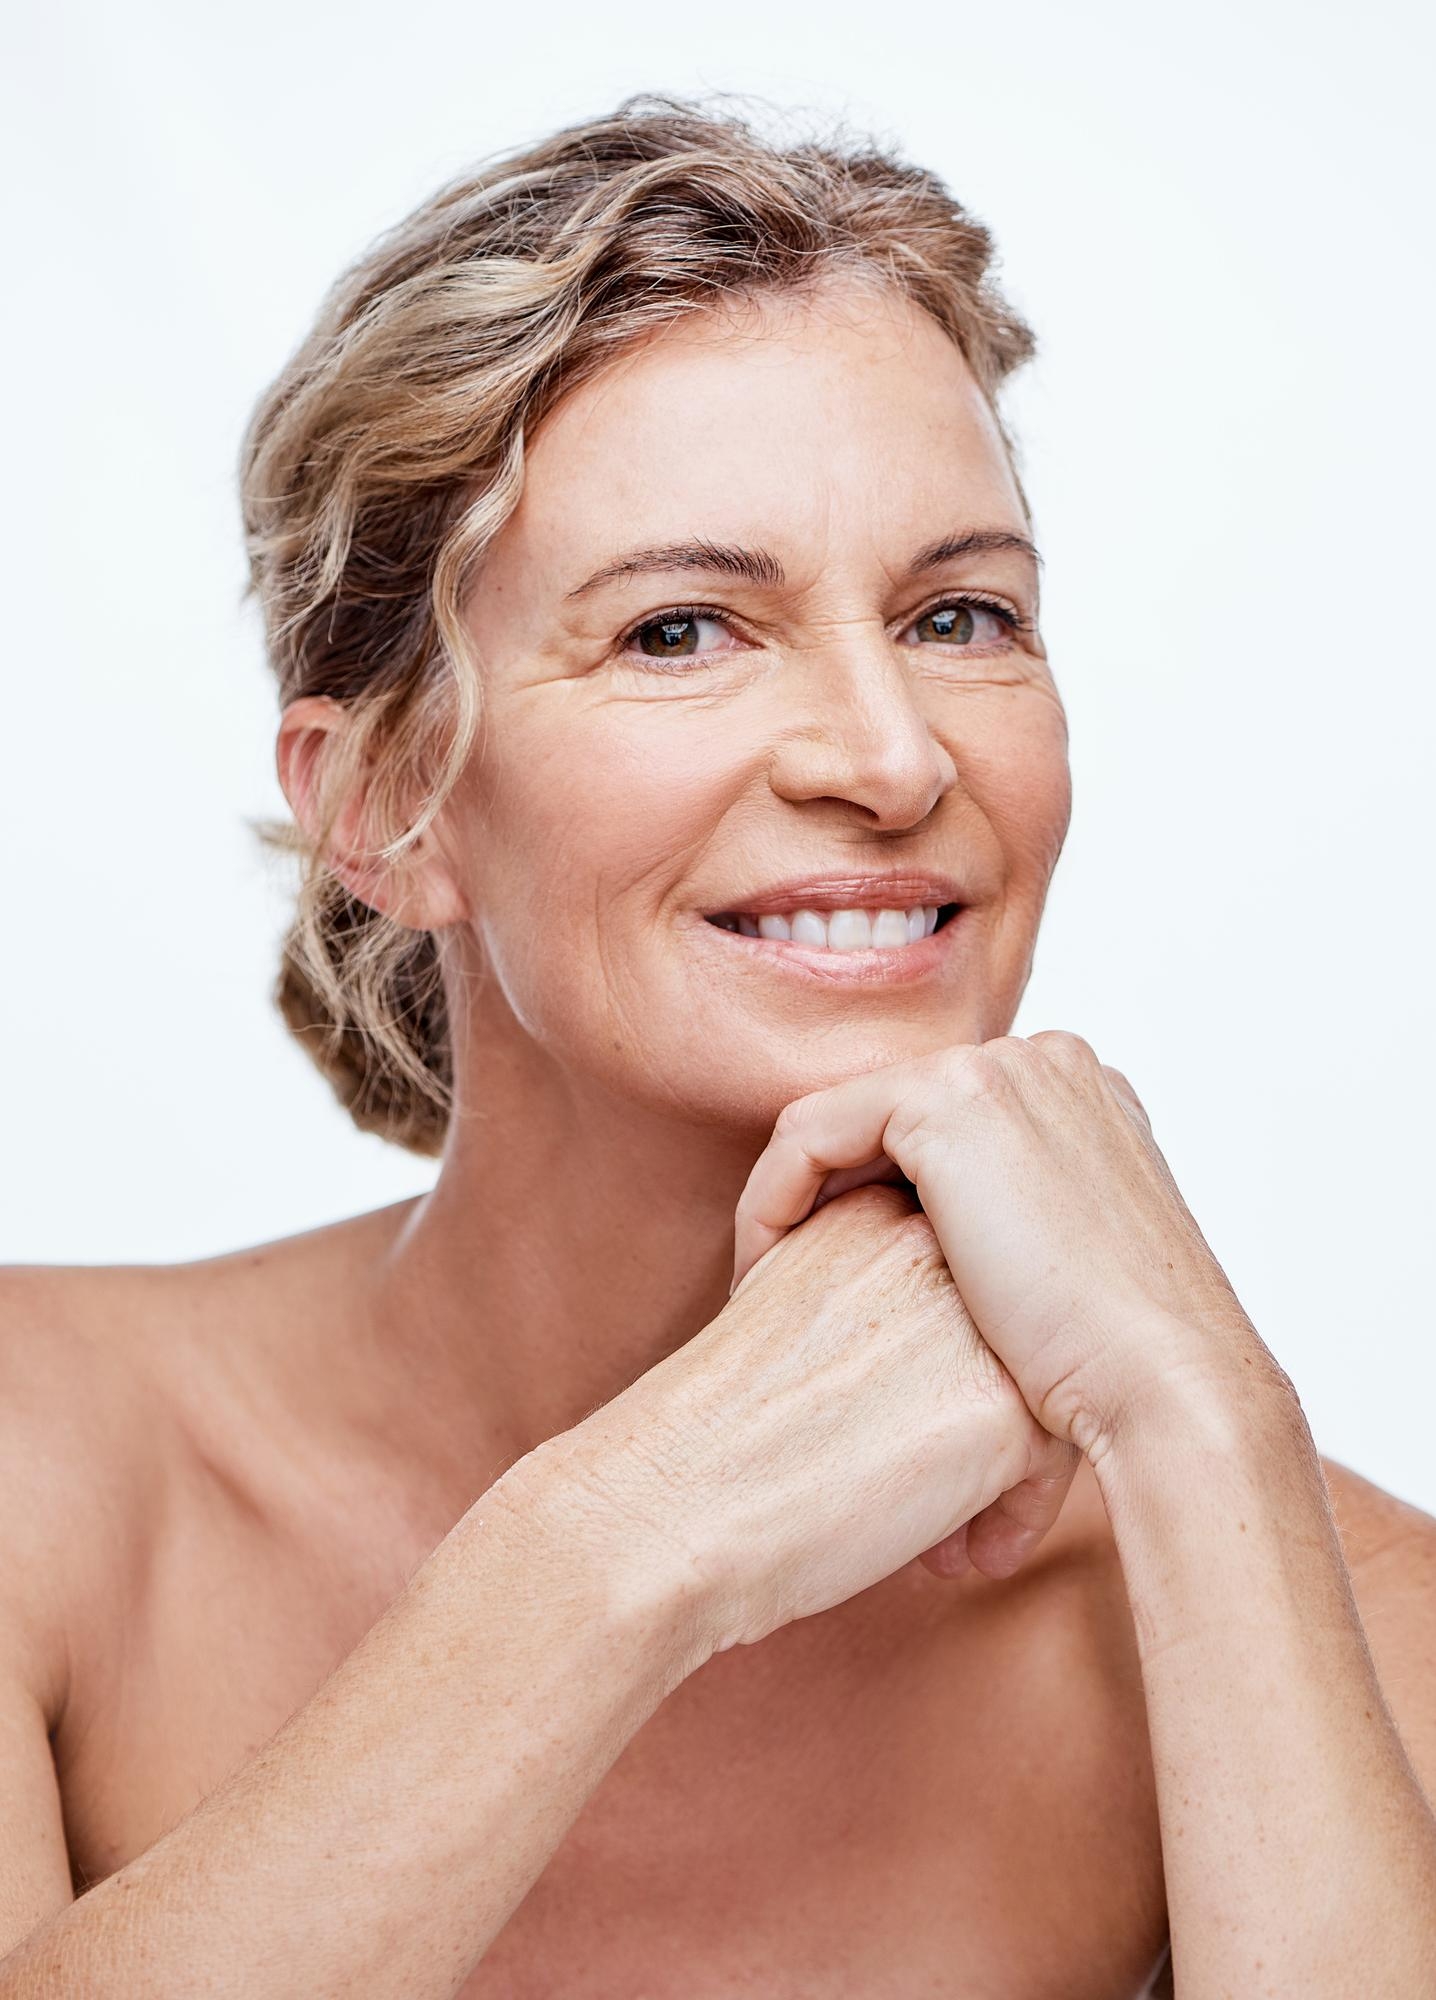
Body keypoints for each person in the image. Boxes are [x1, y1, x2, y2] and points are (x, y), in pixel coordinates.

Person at [1, 91, 1432, 1999]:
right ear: (387, 807)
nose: (896, 755)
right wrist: (623, 1545)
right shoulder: (52, 1464)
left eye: (961, 614)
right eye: (683, 630)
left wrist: (1200, 1406)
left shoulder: (1302, 1589)